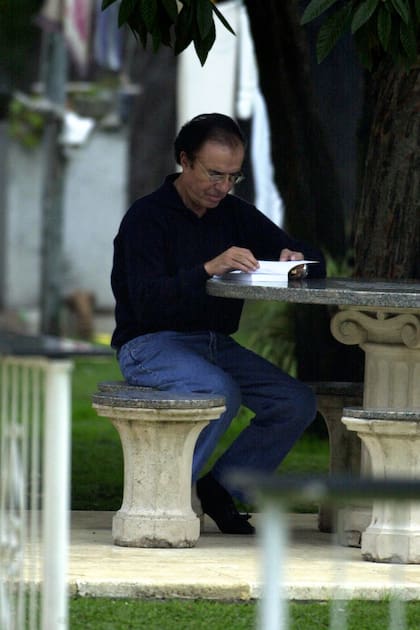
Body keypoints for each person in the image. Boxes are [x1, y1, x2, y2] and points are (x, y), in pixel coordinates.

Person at [111, 113, 326, 535]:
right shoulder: (146, 218)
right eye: (214, 174)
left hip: (212, 344)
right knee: (219, 391)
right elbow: (146, 300)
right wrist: (208, 268)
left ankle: (220, 488)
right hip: (148, 344)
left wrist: (295, 261)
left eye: (233, 177)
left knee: (296, 402)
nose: (222, 187)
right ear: (184, 160)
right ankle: (165, 498)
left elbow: (305, 251)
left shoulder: (234, 213)